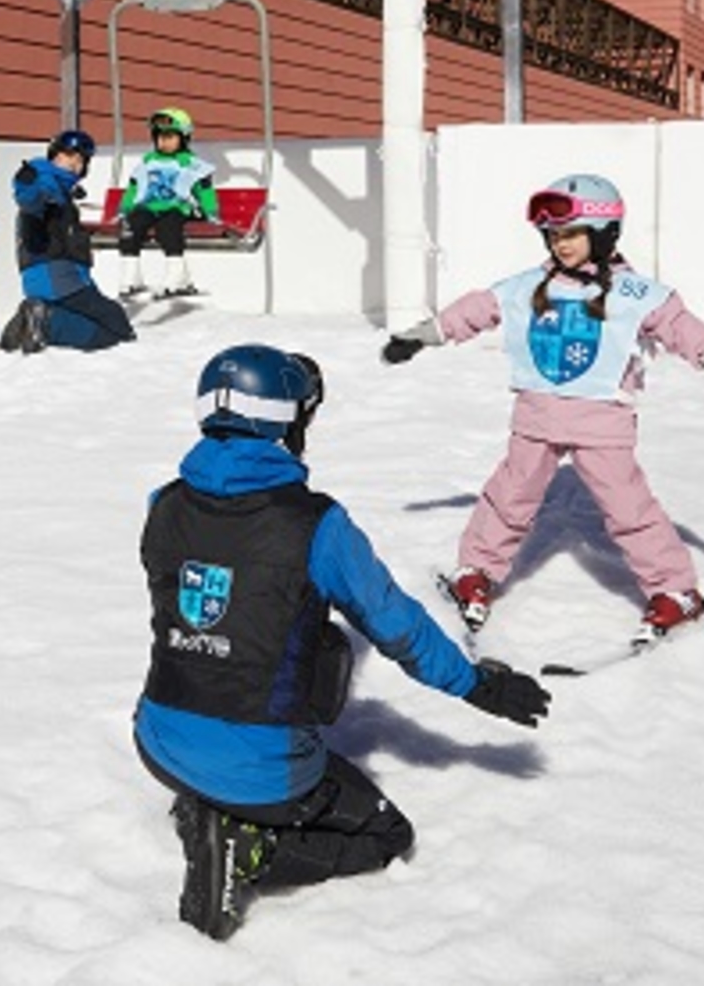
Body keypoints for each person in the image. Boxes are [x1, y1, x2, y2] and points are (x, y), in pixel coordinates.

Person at [135, 345, 551, 941]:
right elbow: (396, 625)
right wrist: (475, 683)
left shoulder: (163, 504)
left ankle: (202, 802)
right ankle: (251, 848)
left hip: (158, 743)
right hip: (265, 771)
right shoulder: (317, 526)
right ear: (285, 420)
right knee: (387, 835)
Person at [384, 173, 704, 639]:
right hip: (537, 415)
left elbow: (681, 328)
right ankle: (477, 570)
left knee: (629, 509)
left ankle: (674, 589)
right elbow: (476, 309)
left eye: (571, 233)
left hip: (601, 421)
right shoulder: (528, 285)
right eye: (552, 235)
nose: (560, 244)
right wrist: (421, 336)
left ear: (604, 233)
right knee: (510, 496)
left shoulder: (636, 293)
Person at [0, 128, 135, 354]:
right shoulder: (45, 183)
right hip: (58, 278)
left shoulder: (62, 194)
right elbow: (30, 199)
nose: (74, 163)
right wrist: (28, 185)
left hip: (55, 279)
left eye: (81, 160)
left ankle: (31, 319)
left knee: (101, 320)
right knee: (117, 325)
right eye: (69, 155)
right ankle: (47, 322)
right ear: (54, 156)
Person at [116, 106, 220, 299]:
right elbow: (134, 186)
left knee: (168, 230)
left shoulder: (190, 163)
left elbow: (204, 189)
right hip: (149, 206)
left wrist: (211, 210)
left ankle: (175, 277)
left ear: (184, 138)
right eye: (160, 136)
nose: (164, 141)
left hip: (177, 207)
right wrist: (126, 207)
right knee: (131, 227)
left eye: (170, 137)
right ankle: (132, 277)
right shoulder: (148, 162)